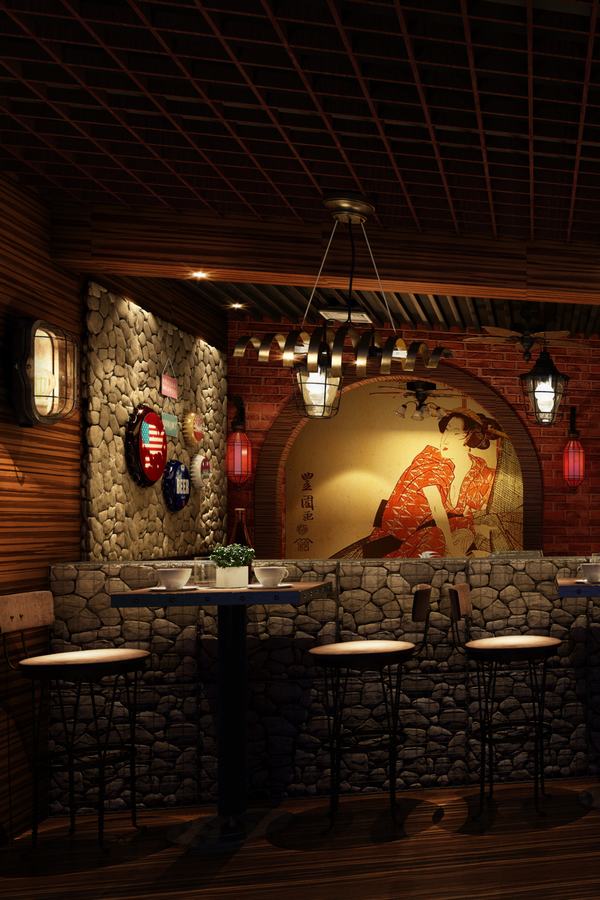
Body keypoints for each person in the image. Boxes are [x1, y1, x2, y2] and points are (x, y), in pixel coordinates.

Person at [335, 409, 517, 558]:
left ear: (471, 437)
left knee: (473, 535)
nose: (445, 438)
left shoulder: (478, 469)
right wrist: (453, 549)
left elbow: (474, 511)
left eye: (454, 432)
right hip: (401, 539)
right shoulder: (430, 461)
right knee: (436, 536)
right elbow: (438, 512)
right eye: (446, 430)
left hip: (445, 537)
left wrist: (477, 529)